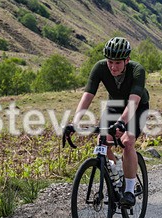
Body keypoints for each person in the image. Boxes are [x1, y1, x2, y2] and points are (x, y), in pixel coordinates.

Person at [63, 36, 150, 207]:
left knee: (127, 141)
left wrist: (122, 123)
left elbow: (134, 101)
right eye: (110, 62)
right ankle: (117, 174)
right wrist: (75, 123)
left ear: (127, 60)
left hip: (137, 107)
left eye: (118, 63)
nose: (113, 66)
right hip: (115, 105)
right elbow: (87, 96)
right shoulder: (100, 68)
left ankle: (129, 191)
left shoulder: (137, 70)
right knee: (102, 141)